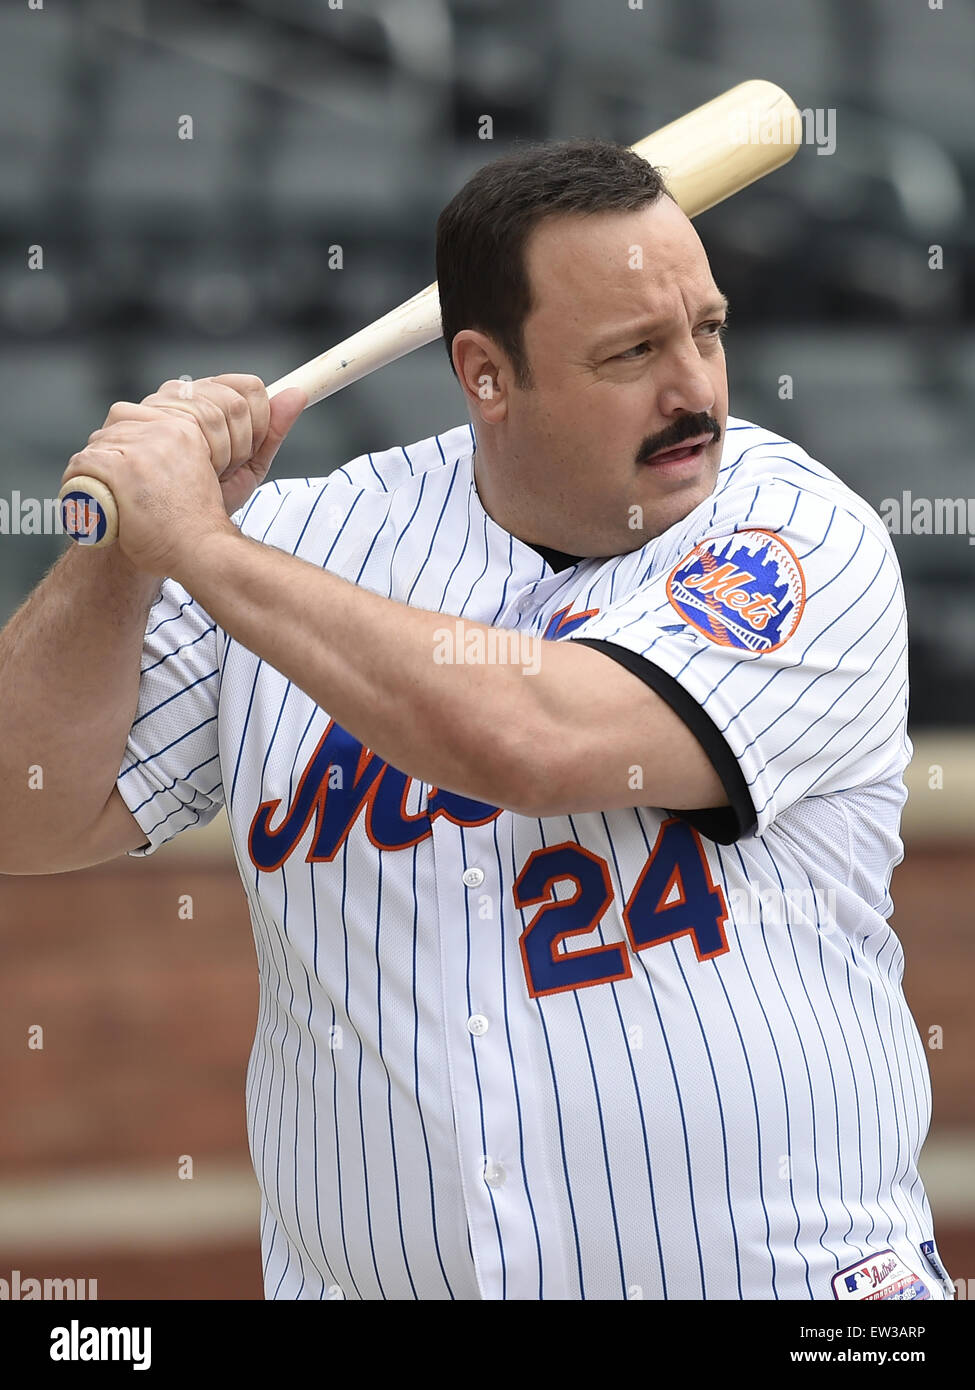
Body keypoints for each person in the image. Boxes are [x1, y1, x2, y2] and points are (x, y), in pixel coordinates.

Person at [0, 140, 953, 1302]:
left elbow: (531, 743)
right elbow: (24, 812)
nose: (694, 390)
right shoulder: (303, 543)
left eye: (705, 330)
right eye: (631, 353)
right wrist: (118, 554)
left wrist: (194, 542)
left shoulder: (795, 535)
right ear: (486, 376)